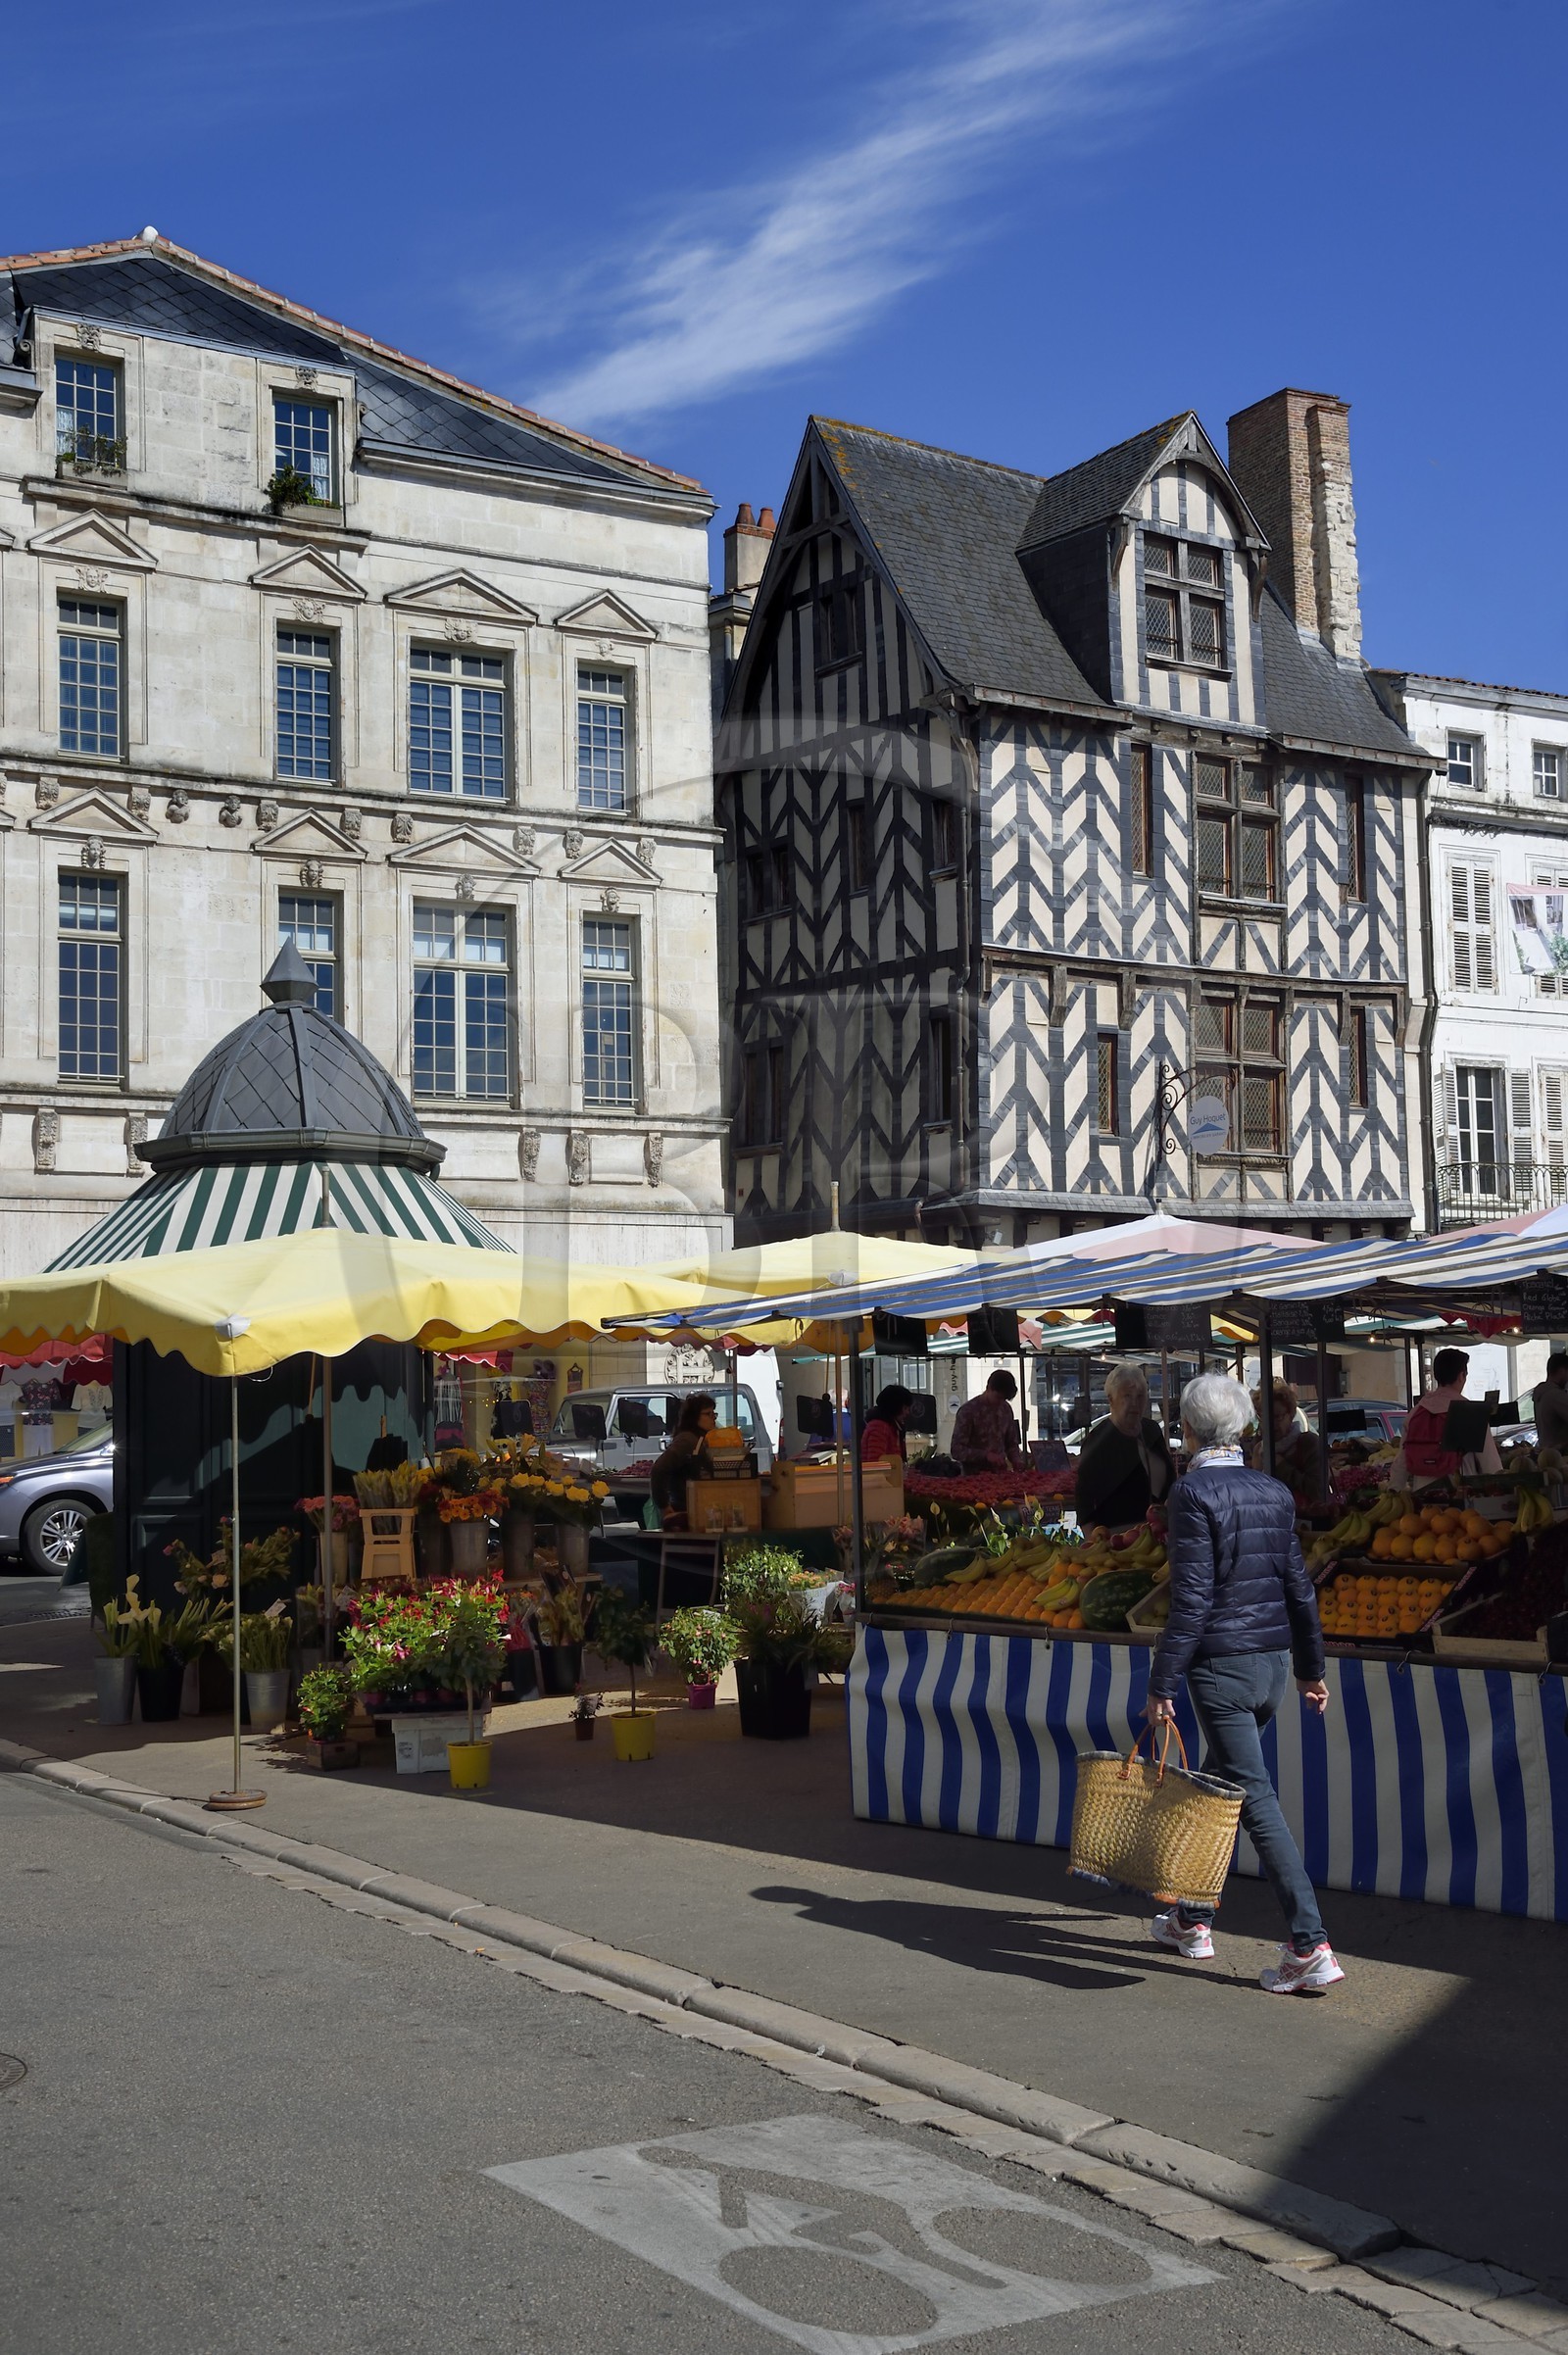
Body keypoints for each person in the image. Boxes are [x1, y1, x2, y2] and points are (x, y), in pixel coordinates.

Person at [1145, 1370, 1344, 1994]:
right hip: (1272, 1664)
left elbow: (1191, 1599)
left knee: (1253, 1800)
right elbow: (1299, 1589)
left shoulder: (1190, 1493)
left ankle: (1309, 1942)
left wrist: (1161, 1683)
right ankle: (1192, 1918)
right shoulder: (1271, 1489)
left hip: (1222, 1668)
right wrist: (1311, 1669)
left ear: (1187, 1430)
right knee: (1217, 1786)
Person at [1075, 1363, 1174, 1528]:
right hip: (1117, 1534)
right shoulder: (1097, 1440)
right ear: (1111, 1399)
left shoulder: (1152, 1430)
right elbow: (1084, 1500)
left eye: (1140, 1396)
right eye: (1127, 1396)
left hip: (1158, 1530)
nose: (1135, 1403)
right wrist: (1093, 1538)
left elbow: (1169, 1479)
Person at [1403, 1348, 1500, 1480]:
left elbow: (1402, 1459)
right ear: (1461, 1376)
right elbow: (1490, 1463)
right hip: (1460, 1488)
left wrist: (1393, 1488)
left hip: (1422, 1490)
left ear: (1436, 1375)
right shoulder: (1471, 1413)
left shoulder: (1417, 1411)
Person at [650, 1392, 717, 1528]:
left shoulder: (701, 1438)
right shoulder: (687, 1440)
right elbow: (658, 1469)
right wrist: (664, 1505)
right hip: (683, 1510)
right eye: (708, 1414)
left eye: (714, 1414)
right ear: (693, 1417)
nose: (713, 1418)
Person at [1250, 1378, 1322, 1505]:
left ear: (1291, 1414)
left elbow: (1319, 1490)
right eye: (1265, 1417)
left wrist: (1281, 1466)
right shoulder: (1259, 1450)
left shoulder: (1308, 1443)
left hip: (1304, 1516)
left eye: (1277, 1417)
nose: (1271, 1423)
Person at [951, 1369, 1025, 1473]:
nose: (1000, 1402)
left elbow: (1011, 1443)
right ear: (988, 1388)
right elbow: (956, 1450)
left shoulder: (1006, 1409)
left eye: (1004, 1399)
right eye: (998, 1397)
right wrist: (985, 1455)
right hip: (974, 1476)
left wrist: (1016, 1460)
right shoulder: (968, 1411)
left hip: (1001, 1474)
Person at [860, 1384, 914, 1464]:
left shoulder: (891, 1426)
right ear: (895, 1407)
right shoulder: (879, 1427)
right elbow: (875, 1462)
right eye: (905, 1408)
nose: (907, 1412)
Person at [1531, 1352, 1568, 1453]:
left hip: (1546, 1453)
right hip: (1560, 1455)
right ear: (1562, 1371)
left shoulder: (1541, 1393)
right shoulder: (1556, 1395)